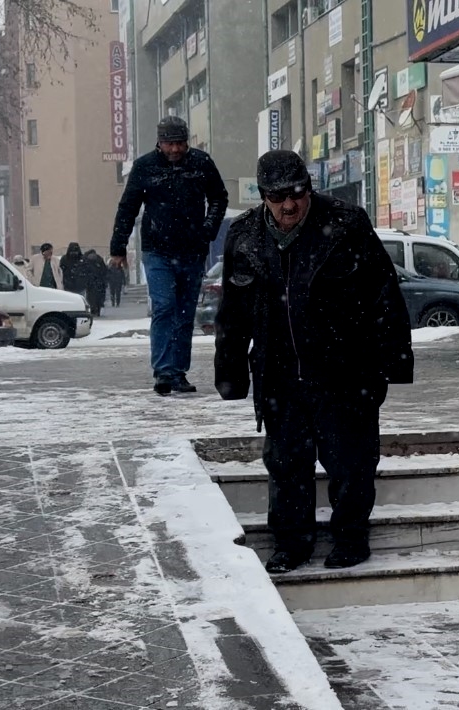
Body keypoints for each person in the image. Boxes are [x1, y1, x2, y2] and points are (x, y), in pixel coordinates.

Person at [214, 150, 413, 574]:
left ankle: (350, 537)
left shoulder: (345, 223)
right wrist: (229, 370)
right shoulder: (245, 236)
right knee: (286, 465)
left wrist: (393, 359)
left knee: (350, 461)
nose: (290, 205)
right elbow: (234, 311)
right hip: (280, 374)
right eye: (277, 196)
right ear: (263, 196)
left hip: (344, 370)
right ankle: (292, 543)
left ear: (310, 186)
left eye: (298, 193)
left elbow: (384, 293)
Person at [110, 116, 229, 396]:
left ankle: (178, 373)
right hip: (157, 251)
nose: (175, 149)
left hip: (192, 250)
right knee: (164, 306)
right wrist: (117, 248)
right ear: (159, 143)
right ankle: (163, 371)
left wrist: (209, 229)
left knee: (186, 313)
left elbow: (219, 197)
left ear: (187, 142)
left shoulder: (201, 163)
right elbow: (127, 208)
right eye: (169, 144)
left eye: (180, 143)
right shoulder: (144, 168)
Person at [83, 249, 107, 317]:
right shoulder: (99, 259)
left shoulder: (86, 260)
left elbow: (84, 271)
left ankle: (93, 310)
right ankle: (98, 309)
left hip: (90, 283)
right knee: (99, 297)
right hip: (99, 282)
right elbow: (104, 271)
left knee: (91, 297)